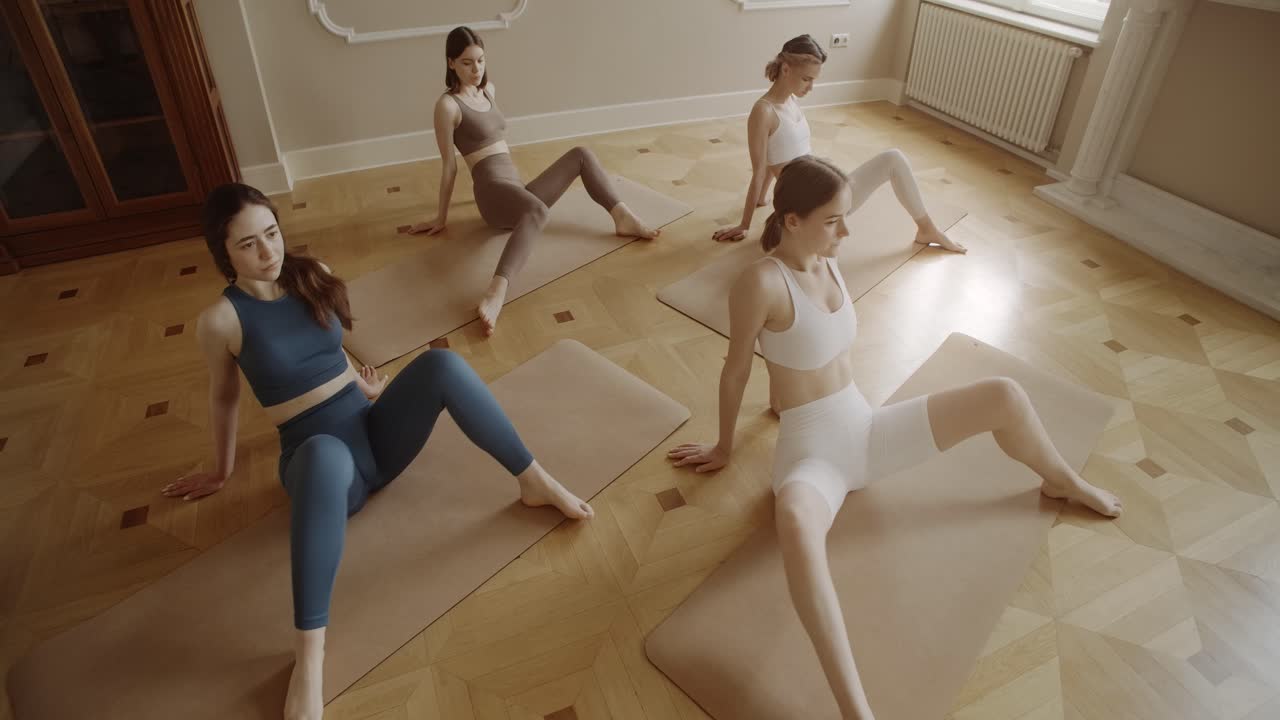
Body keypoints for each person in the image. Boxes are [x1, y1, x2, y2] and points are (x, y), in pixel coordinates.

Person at [669, 156, 1122, 720]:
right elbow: (737, 369)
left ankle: (1063, 482)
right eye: (833, 220)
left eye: (844, 217)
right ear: (792, 220)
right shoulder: (760, 282)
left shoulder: (827, 257)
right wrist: (724, 447)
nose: (846, 231)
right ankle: (856, 711)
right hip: (813, 460)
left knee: (1003, 394)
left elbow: (883, 167)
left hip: (867, 430)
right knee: (796, 527)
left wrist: (916, 221)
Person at [164, 183, 594, 720]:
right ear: (223, 252)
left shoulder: (311, 273)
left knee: (442, 365)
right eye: (248, 244)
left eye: (271, 234)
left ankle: (533, 480)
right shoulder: (221, 321)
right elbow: (224, 397)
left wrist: (359, 385)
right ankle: (309, 658)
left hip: (374, 437)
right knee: (325, 455)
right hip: (321, 466)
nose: (268, 251)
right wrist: (221, 470)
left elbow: (329, 345)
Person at [409, 25, 660, 335]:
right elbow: (450, 166)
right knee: (539, 211)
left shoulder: (489, 90)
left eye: (481, 61)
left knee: (581, 154)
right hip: (492, 195)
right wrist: (440, 218)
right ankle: (496, 292)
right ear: (451, 63)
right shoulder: (447, 106)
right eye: (467, 63)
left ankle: (622, 217)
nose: (476, 70)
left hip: (515, 188)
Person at [711, 34, 965, 255]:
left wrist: (763, 198)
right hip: (809, 201)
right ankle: (928, 230)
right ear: (785, 69)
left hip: (818, 184)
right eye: (806, 79)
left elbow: (774, 154)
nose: (811, 87)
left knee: (893, 157)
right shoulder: (763, 111)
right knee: (893, 160)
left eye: (813, 80)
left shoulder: (790, 100)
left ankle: (926, 228)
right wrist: (744, 224)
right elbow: (759, 169)